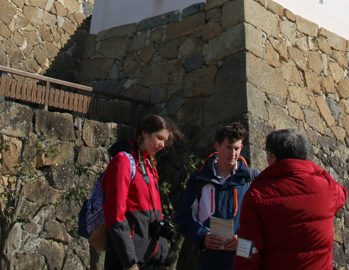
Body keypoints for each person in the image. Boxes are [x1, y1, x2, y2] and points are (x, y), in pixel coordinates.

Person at [233, 129, 347, 270]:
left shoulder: (257, 194)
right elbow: (342, 194)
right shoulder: (328, 189)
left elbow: (248, 248)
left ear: (273, 157)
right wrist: (310, 167)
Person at [102, 114, 182, 270]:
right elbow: (115, 214)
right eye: (159, 138)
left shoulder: (149, 164)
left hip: (151, 256)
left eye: (165, 141)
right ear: (144, 132)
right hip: (130, 258)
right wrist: (129, 261)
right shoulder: (124, 162)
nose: (162, 145)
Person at [176, 122, 256, 269]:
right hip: (208, 260)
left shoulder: (251, 179)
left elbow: (263, 220)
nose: (232, 154)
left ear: (242, 148)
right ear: (217, 146)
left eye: (236, 149)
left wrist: (245, 240)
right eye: (228, 147)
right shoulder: (198, 179)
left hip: (242, 261)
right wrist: (202, 236)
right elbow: (184, 216)